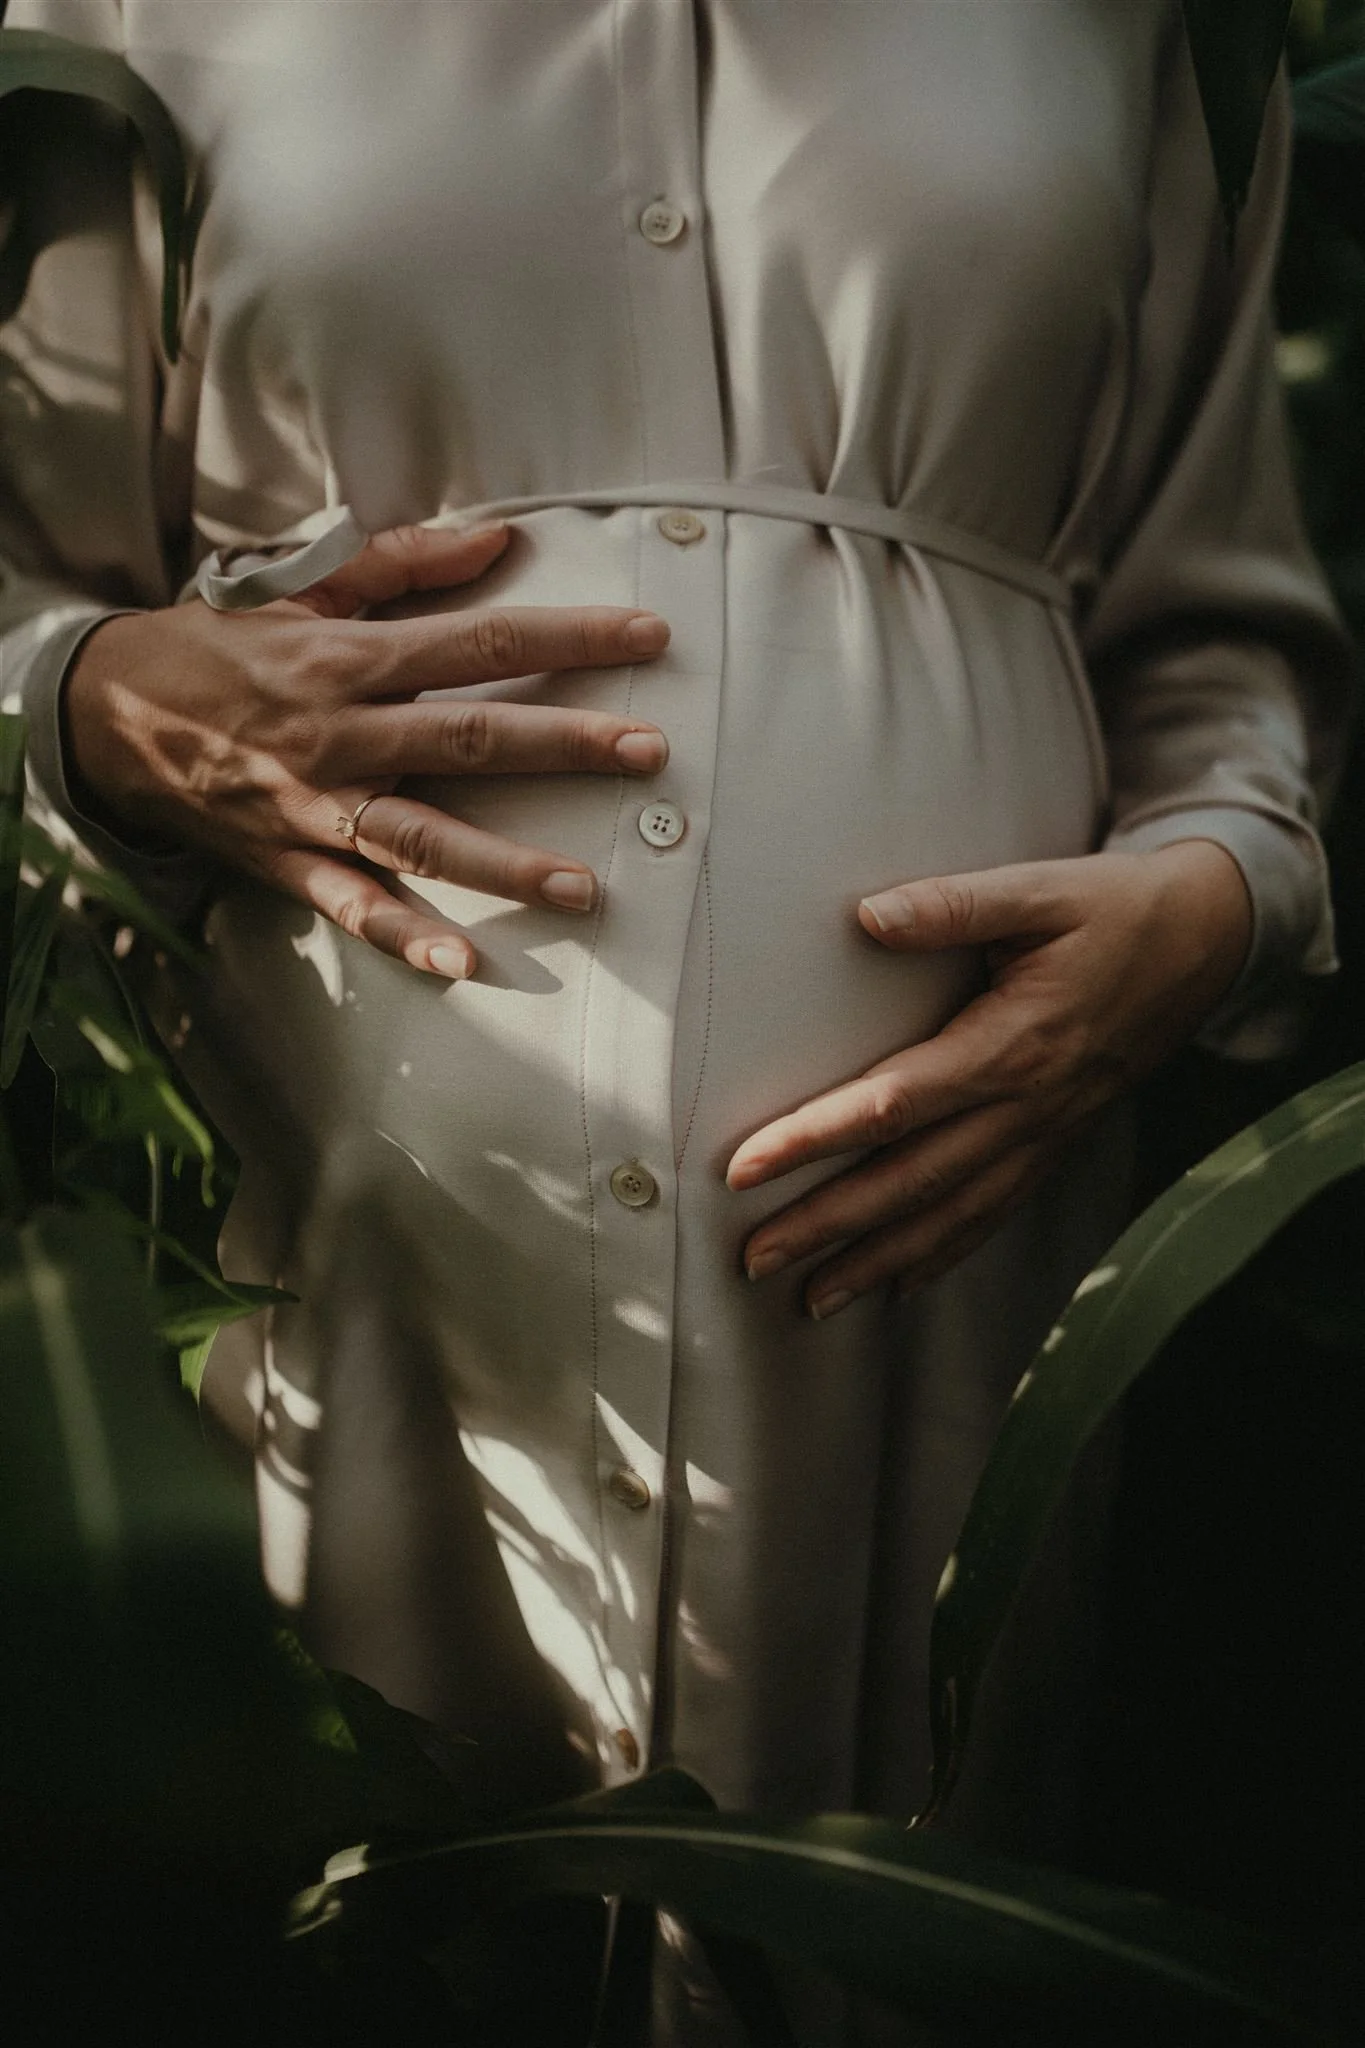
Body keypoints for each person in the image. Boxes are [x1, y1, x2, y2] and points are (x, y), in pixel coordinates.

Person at [0, 3, 1352, 2037]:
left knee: (891, 1921)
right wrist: (94, 694)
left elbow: (1214, 631)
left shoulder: (1133, 22)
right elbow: (28, 584)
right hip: (310, 1206)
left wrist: (1224, 895)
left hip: (952, 1257)